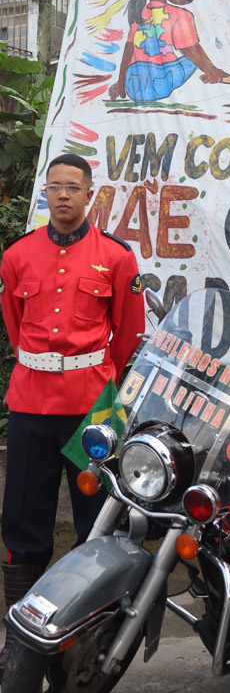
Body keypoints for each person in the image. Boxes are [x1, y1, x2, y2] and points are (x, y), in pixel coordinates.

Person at [0, 153, 145, 676]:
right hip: (31, 402)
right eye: (54, 187)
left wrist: (101, 388)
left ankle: (85, 645)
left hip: (94, 407)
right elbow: (17, 329)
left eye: (72, 187)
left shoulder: (117, 257)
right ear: (46, 193)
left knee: (95, 526)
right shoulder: (17, 255)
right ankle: (18, 646)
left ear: (90, 194)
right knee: (22, 522)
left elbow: (127, 337)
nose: (63, 196)